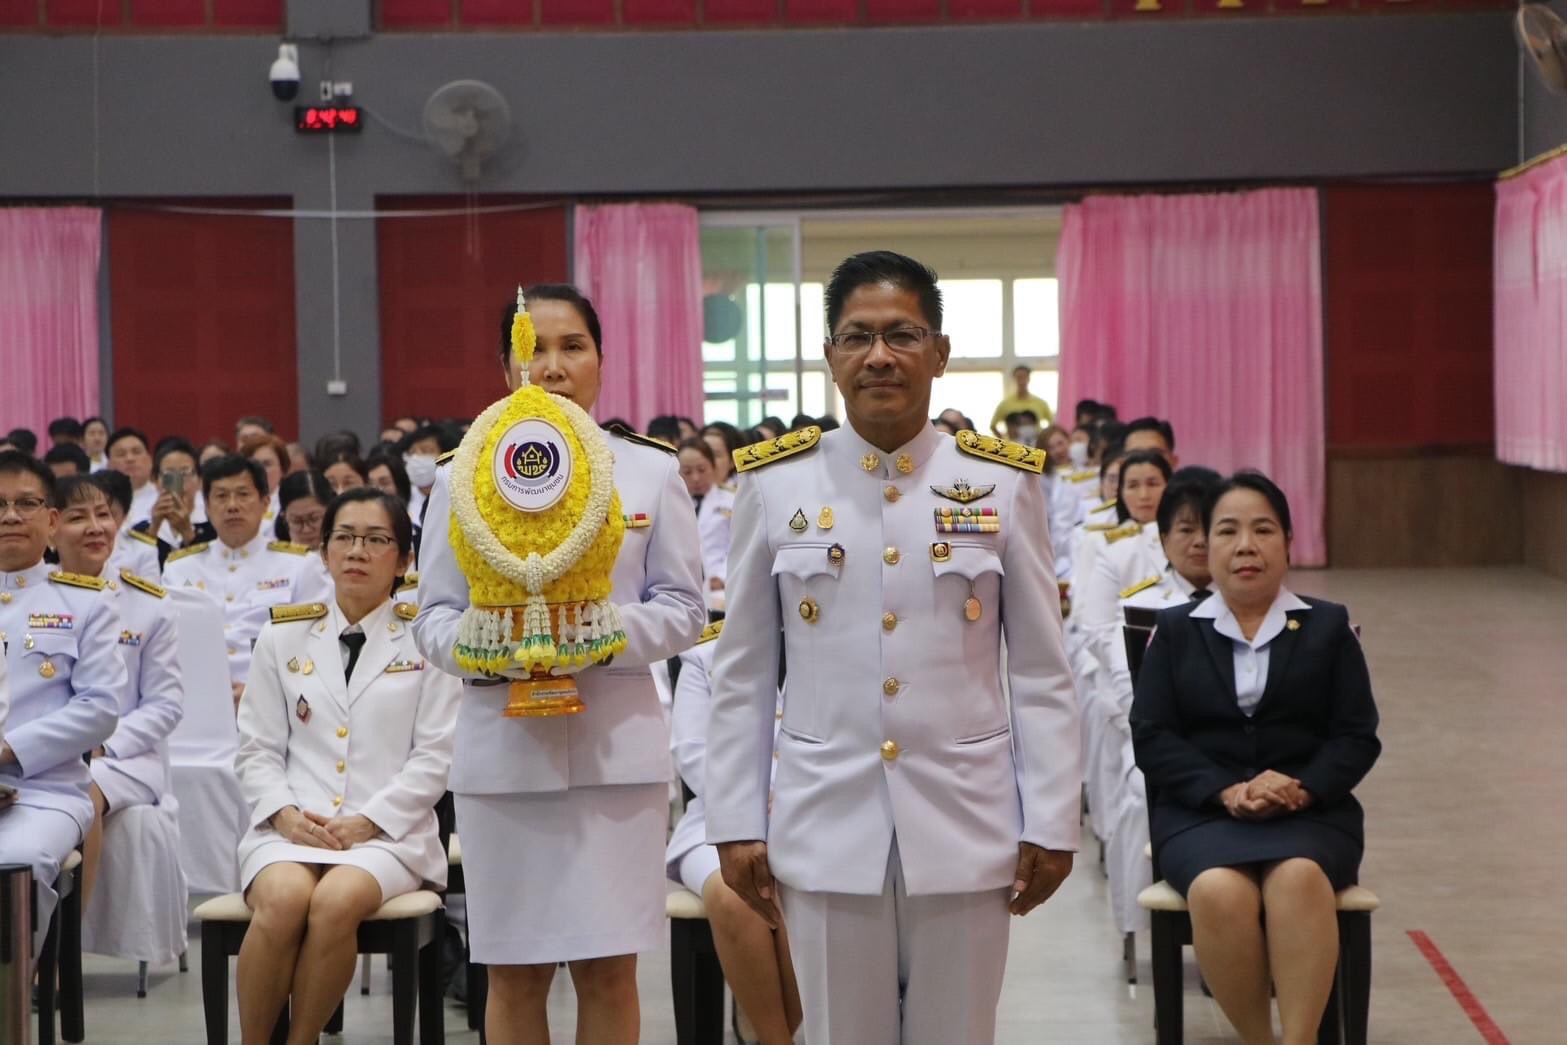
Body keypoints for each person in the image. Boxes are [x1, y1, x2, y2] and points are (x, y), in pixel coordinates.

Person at [705, 251, 1080, 1045]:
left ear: (938, 352)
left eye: (902, 334)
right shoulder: (776, 485)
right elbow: (740, 673)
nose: (879, 355)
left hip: (967, 821)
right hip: (824, 820)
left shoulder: (1002, 483)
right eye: (857, 336)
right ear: (830, 357)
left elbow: (1044, 671)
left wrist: (1050, 818)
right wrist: (734, 817)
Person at [414, 284, 705, 1045]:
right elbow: (434, 620)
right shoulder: (460, 475)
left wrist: (598, 634)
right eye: (533, 348)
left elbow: (684, 607)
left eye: (571, 345)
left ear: (601, 360)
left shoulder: (644, 471)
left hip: (616, 757)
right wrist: (494, 646)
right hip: (503, 760)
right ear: (508, 363)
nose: (551, 365)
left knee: (608, 969)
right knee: (513, 972)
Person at [1131, 472, 1381, 1045]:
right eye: (1228, 531)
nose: (1246, 545)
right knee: (1218, 891)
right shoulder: (1174, 631)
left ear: (1289, 542)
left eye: (1263, 529)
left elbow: (1355, 736)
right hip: (1202, 815)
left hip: (1311, 814)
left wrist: (1302, 786)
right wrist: (1226, 791)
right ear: (1207, 548)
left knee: (1297, 880)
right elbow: (1152, 735)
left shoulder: (1328, 626)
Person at [234, 487, 459, 1045]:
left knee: (335, 902)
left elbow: (436, 756)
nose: (357, 551)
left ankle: (302, 1037)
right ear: (325, 551)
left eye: (377, 539)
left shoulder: (428, 640)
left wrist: (370, 821)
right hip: (291, 826)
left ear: (404, 559)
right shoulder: (281, 635)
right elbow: (256, 748)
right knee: (285, 899)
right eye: (345, 537)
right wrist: (284, 816)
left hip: (389, 835)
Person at [0, 451, 123, 956]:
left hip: (42, 793)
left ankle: (13, 1000)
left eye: (25, 503)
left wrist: (7, 752)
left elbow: (100, 709)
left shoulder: (85, 602)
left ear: (51, 520)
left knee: (15, 864)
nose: (10, 515)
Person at [50, 474, 184, 906]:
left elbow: (165, 704)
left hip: (124, 758)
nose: (95, 527)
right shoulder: (34, 598)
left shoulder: (148, 603)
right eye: (78, 517)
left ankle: (64, 953)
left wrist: (102, 744)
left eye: (103, 514)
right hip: (42, 750)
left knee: (81, 792)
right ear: (51, 528)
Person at [667, 623, 802, 1044]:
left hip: (812, 817)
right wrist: (749, 806)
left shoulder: (837, 639)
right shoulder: (707, 653)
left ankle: (785, 1030)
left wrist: (794, 803)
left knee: (807, 893)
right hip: (716, 823)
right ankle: (773, 1037)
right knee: (735, 894)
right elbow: (691, 748)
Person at [163, 455, 312, 701]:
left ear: (265, 503)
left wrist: (263, 693)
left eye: (243, 494)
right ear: (207, 507)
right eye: (221, 496)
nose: (232, 506)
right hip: (194, 701)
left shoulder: (301, 565)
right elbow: (165, 645)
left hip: (274, 703)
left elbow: (314, 647)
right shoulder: (179, 567)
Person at [136, 437, 213, 564]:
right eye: (169, 475)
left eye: (185, 473)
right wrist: (154, 527)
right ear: (155, 480)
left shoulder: (214, 527)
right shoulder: (140, 528)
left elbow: (214, 571)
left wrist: (188, 532)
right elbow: (134, 571)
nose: (179, 482)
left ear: (199, 480)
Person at [678, 438, 733, 611]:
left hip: (723, 586)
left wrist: (722, 576)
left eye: (701, 470)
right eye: (687, 472)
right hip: (684, 589)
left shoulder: (732, 501)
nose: (695, 478)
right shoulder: (673, 504)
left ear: (713, 466)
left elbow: (740, 545)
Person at [97, 469, 163, 582]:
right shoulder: (71, 545)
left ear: (125, 515)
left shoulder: (143, 551)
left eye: (107, 515)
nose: (98, 523)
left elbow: (149, 597)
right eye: (96, 514)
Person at [241, 434, 292, 540]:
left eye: (267, 464)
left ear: (282, 468)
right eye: (255, 464)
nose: (261, 470)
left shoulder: (290, 503)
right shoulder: (236, 503)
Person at [108, 426, 158, 527]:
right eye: (121, 454)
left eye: (136, 452)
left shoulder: (162, 498)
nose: (130, 459)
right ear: (109, 465)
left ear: (150, 460)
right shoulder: (102, 502)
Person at [989, 364, 1054, 436]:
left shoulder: (1041, 403)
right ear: (1014, 379)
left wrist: (1042, 437)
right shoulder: (1005, 404)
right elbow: (993, 426)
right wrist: (1003, 441)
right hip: (1012, 445)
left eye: (1024, 377)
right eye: (1019, 377)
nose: (1022, 381)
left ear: (1029, 378)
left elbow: (1052, 425)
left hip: (1034, 445)